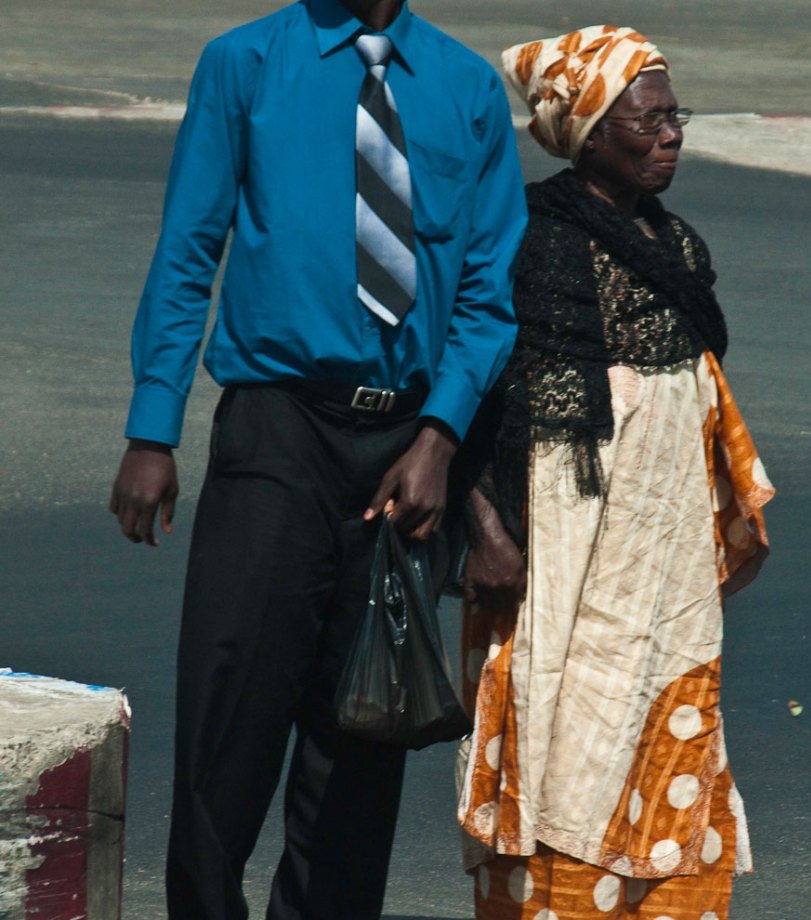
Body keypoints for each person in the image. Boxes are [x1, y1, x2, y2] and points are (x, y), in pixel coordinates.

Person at [107, 0, 527, 917]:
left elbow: (492, 292)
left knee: (362, 742)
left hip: (408, 449)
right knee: (230, 718)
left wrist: (441, 436)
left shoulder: (465, 88)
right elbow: (190, 244)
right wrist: (153, 426)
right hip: (277, 427)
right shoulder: (245, 63)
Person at [456, 25, 775, 920]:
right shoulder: (534, 242)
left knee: (664, 711)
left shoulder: (680, 248)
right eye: (647, 121)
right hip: (561, 555)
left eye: (675, 117)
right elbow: (479, 403)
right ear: (588, 131)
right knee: (564, 735)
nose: (670, 135)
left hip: (658, 558)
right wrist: (486, 531)